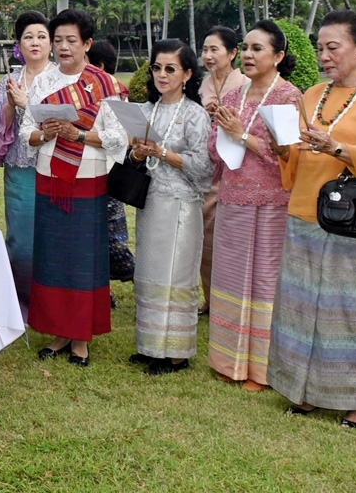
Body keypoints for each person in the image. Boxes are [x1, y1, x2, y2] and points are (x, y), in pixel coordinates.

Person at [269, 10, 356, 428]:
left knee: (352, 313)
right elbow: (294, 158)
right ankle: (306, 391)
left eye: (333, 47)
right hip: (306, 212)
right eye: (319, 48)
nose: (324, 56)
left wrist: (336, 149)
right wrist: (281, 148)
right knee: (304, 306)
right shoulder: (311, 94)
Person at [22, 9, 128, 367]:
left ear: (87, 44)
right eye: (58, 40)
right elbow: (26, 133)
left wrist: (79, 134)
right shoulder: (42, 83)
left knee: (84, 257)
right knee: (53, 256)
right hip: (49, 177)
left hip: (87, 178)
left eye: (71, 40)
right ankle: (58, 331)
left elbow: (119, 136)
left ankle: (81, 336)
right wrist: (45, 133)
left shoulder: (105, 84)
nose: (63, 47)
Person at [206, 21, 302, 390]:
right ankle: (227, 360)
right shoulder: (233, 97)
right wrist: (220, 131)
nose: (247, 54)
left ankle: (260, 370)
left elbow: (289, 157)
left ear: (278, 56)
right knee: (230, 277)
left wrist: (241, 136)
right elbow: (216, 150)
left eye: (257, 48)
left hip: (271, 202)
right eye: (245, 47)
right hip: (232, 196)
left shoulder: (289, 97)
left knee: (263, 282)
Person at [129, 39, 214, 376]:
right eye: (156, 68)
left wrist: (161, 152)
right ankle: (151, 346)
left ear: (187, 74)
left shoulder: (195, 114)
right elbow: (133, 156)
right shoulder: (147, 110)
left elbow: (204, 167)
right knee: (149, 273)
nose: (161, 75)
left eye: (170, 69)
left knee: (175, 275)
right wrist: (138, 152)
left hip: (181, 204)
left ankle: (176, 354)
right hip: (150, 203)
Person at [0, 12, 55, 311]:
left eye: (42, 36)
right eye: (29, 36)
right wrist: (8, 106)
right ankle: (22, 304)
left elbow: (59, 122)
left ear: (51, 43)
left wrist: (26, 104)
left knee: (52, 236)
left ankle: (51, 302)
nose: (35, 42)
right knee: (21, 239)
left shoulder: (59, 79)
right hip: (19, 169)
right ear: (19, 44)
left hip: (53, 166)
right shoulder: (9, 79)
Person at [198, 26, 247, 315]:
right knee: (205, 239)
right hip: (206, 170)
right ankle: (210, 299)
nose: (208, 55)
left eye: (215, 49)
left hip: (235, 171)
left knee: (231, 242)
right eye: (205, 49)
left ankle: (233, 302)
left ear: (232, 53)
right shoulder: (200, 83)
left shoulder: (244, 84)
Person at [86, 39, 135, 285]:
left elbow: (122, 139)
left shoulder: (113, 94)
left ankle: (127, 270)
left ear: (100, 66)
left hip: (108, 173)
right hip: (93, 171)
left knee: (109, 235)